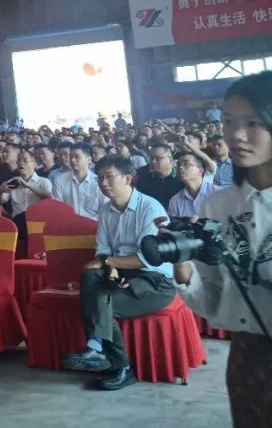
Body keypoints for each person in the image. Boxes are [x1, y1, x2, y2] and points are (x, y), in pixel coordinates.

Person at [173, 72, 272, 424]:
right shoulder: (219, 207)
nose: (237, 135)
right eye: (229, 122)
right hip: (248, 357)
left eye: (252, 123)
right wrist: (184, 268)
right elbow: (215, 297)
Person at [62, 156, 175, 391]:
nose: (103, 183)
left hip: (154, 281)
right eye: (99, 178)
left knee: (103, 305)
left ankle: (119, 364)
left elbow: (146, 258)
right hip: (123, 274)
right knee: (89, 275)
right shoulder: (106, 210)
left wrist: (108, 261)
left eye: (109, 177)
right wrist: (108, 264)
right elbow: (103, 249)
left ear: (127, 178)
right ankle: (96, 349)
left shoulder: (150, 208)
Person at [0, 150, 52, 241]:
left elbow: (48, 199)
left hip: (37, 225)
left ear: (34, 163)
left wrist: (28, 185)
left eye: (25, 160)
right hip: (17, 224)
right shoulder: (13, 182)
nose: (21, 163)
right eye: (19, 160)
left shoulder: (44, 182)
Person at [52, 143, 105, 220]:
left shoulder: (98, 182)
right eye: (71, 157)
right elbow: (58, 207)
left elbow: (104, 210)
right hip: (68, 223)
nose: (72, 160)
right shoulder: (60, 180)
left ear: (89, 159)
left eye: (77, 157)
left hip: (93, 224)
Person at [167, 151, 218, 219]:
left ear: (200, 171)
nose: (181, 167)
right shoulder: (175, 201)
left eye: (186, 164)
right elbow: (173, 225)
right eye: (178, 164)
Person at [135, 142, 184, 209]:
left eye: (158, 158)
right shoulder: (143, 181)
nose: (153, 161)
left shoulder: (181, 180)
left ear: (170, 160)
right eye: (151, 158)